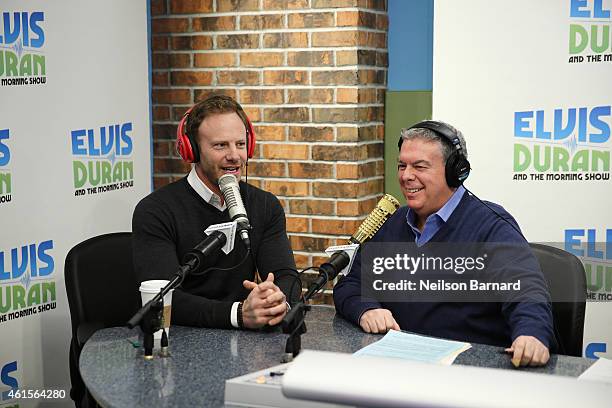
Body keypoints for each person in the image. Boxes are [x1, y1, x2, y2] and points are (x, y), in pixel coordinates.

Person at [333, 120, 555, 366]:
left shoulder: (491, 225)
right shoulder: (392, 223)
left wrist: (531, 334)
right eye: (402, 165)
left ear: (455, 171)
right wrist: (366, 309)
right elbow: (350, 283)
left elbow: (525, 288)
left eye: (419, 166)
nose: (406, 176)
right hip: (401, 367)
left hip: (470, 372)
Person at [133, 95, 297, 330]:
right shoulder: (155, 211)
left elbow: (286, 276)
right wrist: (238, 314)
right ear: (192, 151)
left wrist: (275, 298)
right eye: (221, 145)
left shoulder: (265, 205)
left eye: (240, 144)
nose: (234, 155)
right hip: (181, 341)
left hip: (246, 340)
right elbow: (162, 298)